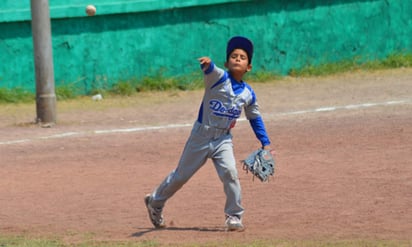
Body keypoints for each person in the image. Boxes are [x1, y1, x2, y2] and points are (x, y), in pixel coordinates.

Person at [144, 36, 273, 231]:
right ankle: (155, 201)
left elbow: (255, 118)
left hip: (223, 140)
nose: (237, 59)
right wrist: (208, 63)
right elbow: (210, 69)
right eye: (233, 56)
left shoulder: (248, 93)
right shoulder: (218, 77)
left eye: (243, 57)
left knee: (230, 173)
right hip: (201, 137)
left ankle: (234, 216)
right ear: (226, 62)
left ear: (249, 67)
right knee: (181, 176)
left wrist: (265, 142)